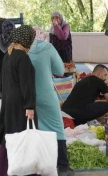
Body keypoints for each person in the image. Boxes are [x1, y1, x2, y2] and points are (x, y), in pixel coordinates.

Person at [28, 27, 74, 176]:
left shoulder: (22, 48)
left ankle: (39, 166)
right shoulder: (47, 47)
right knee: (57, 128)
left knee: (35, 129)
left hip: (28, 97)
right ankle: (62, 167)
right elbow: (60, 70)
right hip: (47, 95)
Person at [0, 25, 37, 176]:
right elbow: (26, 84)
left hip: (8, 102)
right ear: (28, 40)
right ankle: (23, 171)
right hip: (21, 104)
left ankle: (5, 171)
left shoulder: (8, 55)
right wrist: (30, 106)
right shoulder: (23, 57)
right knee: (23, 137)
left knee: (11, 136)